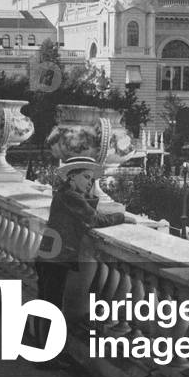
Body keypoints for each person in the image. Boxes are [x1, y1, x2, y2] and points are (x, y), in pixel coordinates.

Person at [32, 156, 143, 366]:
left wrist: (91, 196)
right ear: (72, 177)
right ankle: (46, 356)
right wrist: (122, 216)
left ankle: (46, 352)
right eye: (86, 177)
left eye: (91, 179)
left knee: (48, 303)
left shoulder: (65, 194)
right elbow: (94, 219)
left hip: (51, 255)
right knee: (51, 306)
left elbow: (88, 213)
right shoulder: (70, 196)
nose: (89, 182)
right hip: (56, 258)